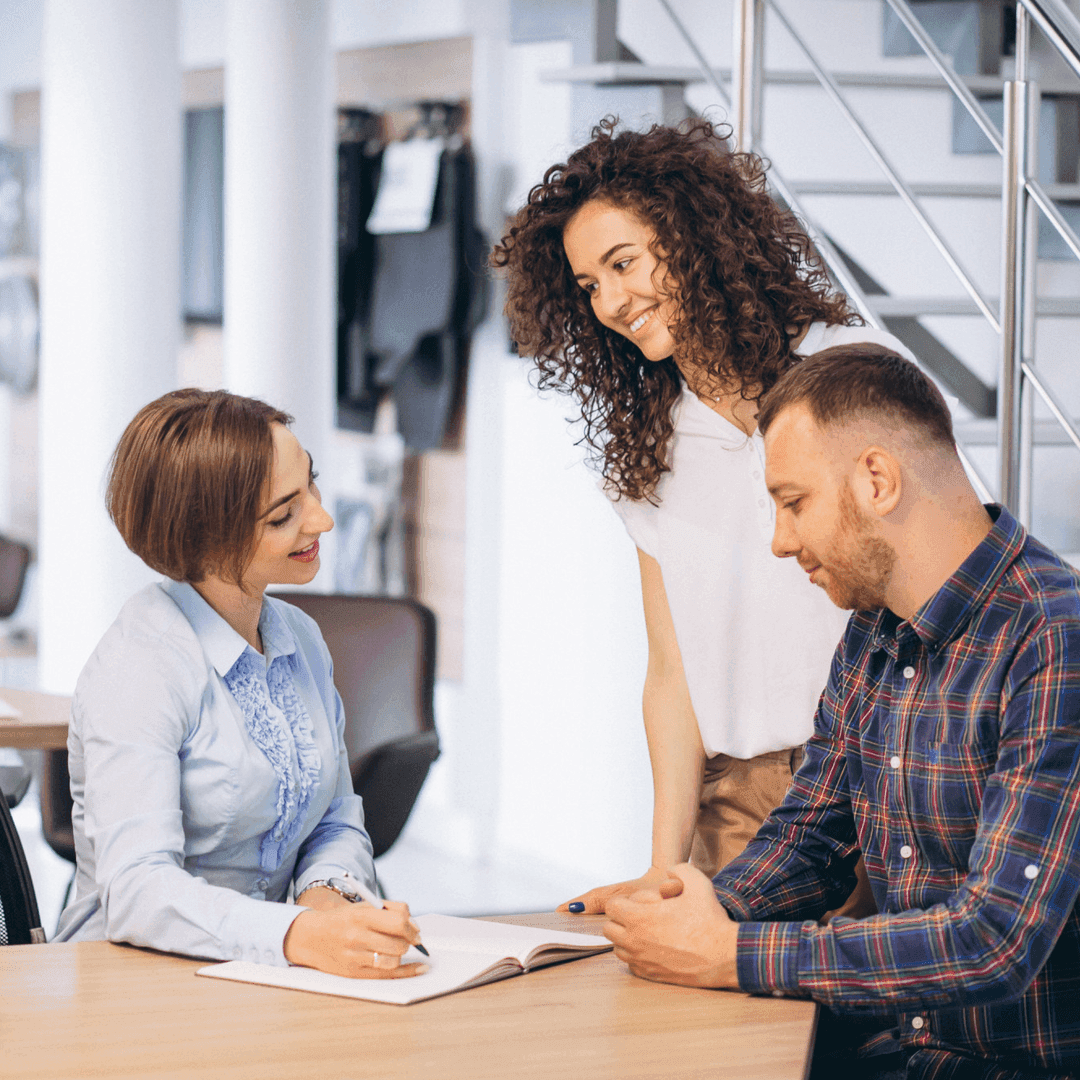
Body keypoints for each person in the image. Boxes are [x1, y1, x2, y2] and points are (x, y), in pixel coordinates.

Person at [604, 343, 1080, 1080]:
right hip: (892, 1055)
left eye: (793, 503)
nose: (780, 540)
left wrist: (731, 952)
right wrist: (686, 908)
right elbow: (811, 838)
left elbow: (996, 940)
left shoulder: (1055, 640)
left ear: (878, 479)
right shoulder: (875, 633)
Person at [493, 117, 911, 913]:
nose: (612, 301)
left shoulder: (846, 369)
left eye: (624, 263)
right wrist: (666, 863)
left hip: (880, 782)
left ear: (690, 240)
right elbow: (671, 672)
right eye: (589, 286)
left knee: (871, 1035)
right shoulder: (647, 451)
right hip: (738, 809)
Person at [54, 389, 427, 980]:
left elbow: (336, 818)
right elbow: (136, 891)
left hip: (254, 974)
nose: (322, 519)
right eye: (283, 514)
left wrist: (330, 906)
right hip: (126, 985)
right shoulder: (140, 667)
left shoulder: (300, 637)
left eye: (312, 484)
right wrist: (297, 935)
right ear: (201, 535)